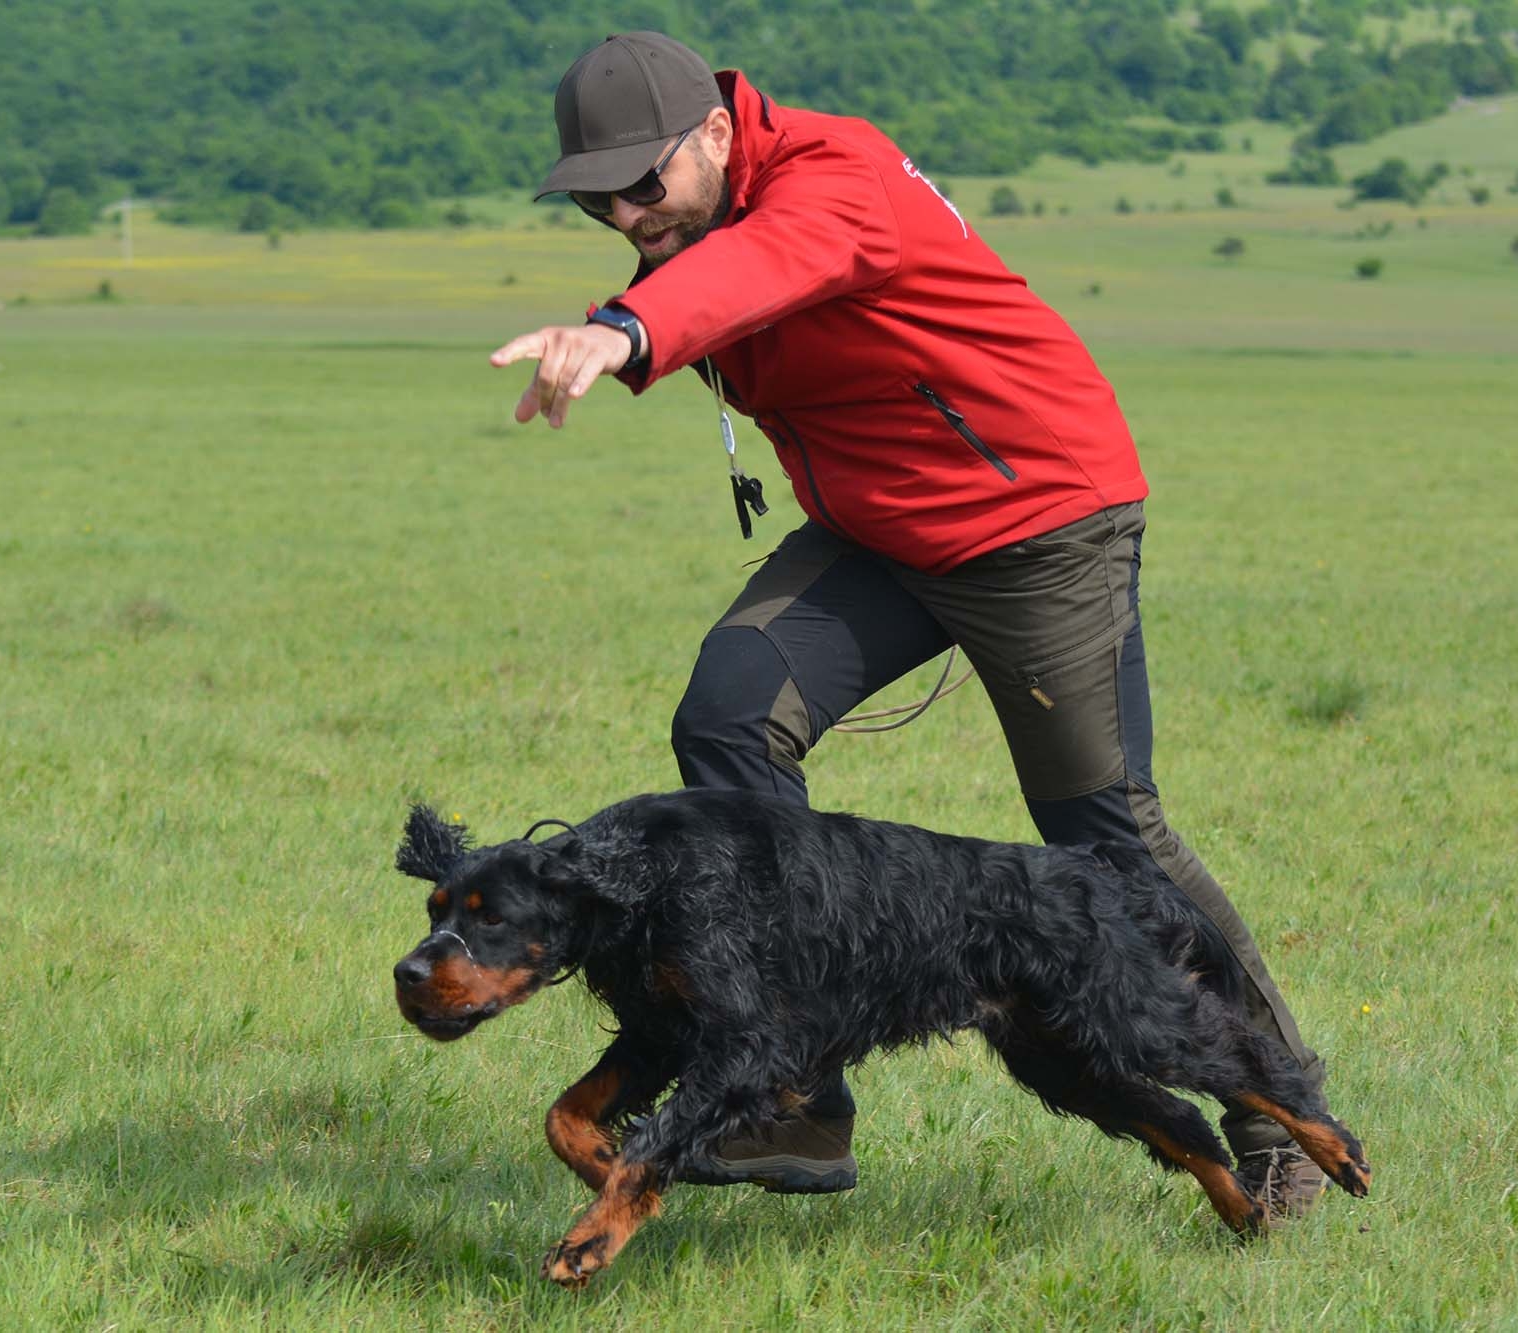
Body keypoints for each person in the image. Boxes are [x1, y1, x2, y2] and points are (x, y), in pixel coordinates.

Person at [490, 31, 1330, 1222]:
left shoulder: (837, 177)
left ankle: (1272, 1104)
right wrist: (612, 324)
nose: (625, 214)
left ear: (720, 136)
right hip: (879, 538)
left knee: (1100, 829)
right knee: (728, 715)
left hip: (1033, 516)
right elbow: (708, 282)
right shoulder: (693, 226)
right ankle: (791, 1084)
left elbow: (766, 266)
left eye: (643, 183)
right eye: (596, 198)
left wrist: (626, 330)